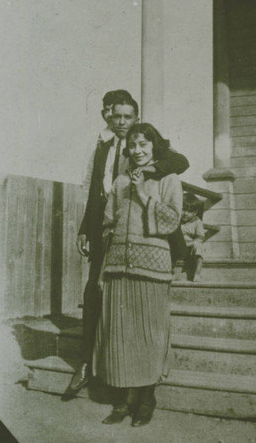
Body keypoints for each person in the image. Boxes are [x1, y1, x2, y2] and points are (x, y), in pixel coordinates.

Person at [62, 92, 189, 399]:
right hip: (108, 228)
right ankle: (86, 365)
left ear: (136, 117)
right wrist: (84, 229)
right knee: (95, 293)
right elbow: (96, 191)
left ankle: (137, 379)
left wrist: (147, 171)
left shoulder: (143, 142)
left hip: (143, 228)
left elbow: (179, 162)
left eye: (127, 117)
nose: (121, 122)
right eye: (116, 116)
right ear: (108, 115)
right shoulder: (103, 146)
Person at [92, 123, 183, 427]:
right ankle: (123, 400)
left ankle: (146, 398)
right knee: (121, 336)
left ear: (154, 146)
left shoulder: (169, 179)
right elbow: (108, 226)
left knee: (149, 336)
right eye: (133, 146)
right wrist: (104, 269)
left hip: (153, 269)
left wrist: (144, 194)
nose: (138, 151)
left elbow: (171, 220)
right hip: (118, 267)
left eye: (144, 144)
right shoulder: (118, 182)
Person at [181, 192, 205, 281]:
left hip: (189, 247)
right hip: (178, 246)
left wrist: (191, 243)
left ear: (195, 213)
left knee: (199, 246)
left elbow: (200, 238)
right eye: (183, 209)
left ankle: (197, 273)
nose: (185, 213)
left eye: (189, 211)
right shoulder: (177, 221)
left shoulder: (196, 222)